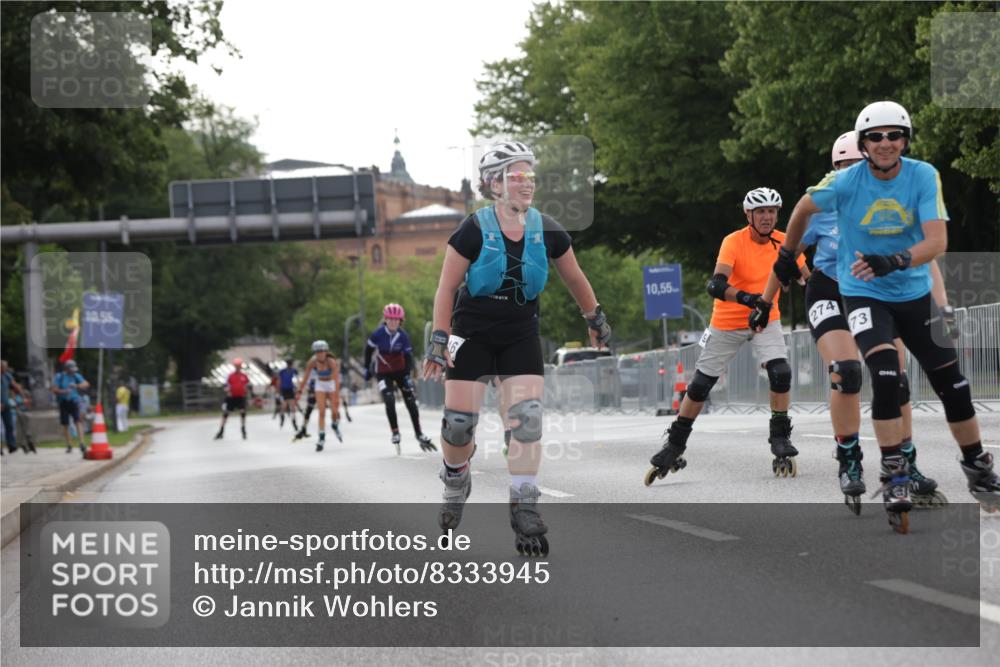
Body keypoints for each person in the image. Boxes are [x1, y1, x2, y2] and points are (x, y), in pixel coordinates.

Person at [771, 101, 999, 531]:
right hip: (861, 293)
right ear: (863, 144)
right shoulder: (844, 184)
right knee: (883, 375)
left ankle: (977, 465)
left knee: (953, 384)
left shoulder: (922, 176)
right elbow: (801, 210)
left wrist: (895, 260)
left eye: (894, 135)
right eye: (875, 137)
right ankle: (892, 472)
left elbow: (937, 243)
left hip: (911, 292)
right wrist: (786, 257)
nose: (885, 144)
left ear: (905, 140)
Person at [423, 141, 611, 556]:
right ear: (494, 184)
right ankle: (455, 478)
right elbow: (446, 288)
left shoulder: (547, 227)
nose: (527, 183)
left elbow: (576, 279)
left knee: (526, 419)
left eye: (530, 175)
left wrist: (595, 319)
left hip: (520, 332)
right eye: (517, 175)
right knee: (458, 424)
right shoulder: (472, 229)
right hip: (471, 333)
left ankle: (524, 504)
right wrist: (439, 340)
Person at [756, 131, 949, 514]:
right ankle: (849, 455)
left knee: (896, 379)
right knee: (846, 372)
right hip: (829, 290)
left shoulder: (892, 203)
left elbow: (926, 259)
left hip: (876, 292)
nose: (850, 175)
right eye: (841, 169)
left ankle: (905, 459)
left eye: (855, 166)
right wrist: (764, 302)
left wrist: (943, 308)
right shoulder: (824, 205)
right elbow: (786, 255)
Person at [645, 187, 808, 486]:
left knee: (780, 372)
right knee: (700, 385)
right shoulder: (733, 241)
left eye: (772, 211)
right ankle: (675, 444)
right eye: (760, 212)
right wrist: (748, 299)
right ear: (749, 215)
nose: (767, 217)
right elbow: (716, 284)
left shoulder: (785, 241)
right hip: (728, 320)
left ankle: (780, 438)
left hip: (766, 319)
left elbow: (805, 279)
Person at [365, 303, 436, 454]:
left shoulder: (403, 336)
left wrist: (408, 375)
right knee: (389, 399)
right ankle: (395, 432)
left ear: (400, 321)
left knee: (410, 400)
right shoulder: (377, 334)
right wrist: (366, 368)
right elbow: (367, 351)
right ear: (385, 320)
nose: (393, 323)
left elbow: (408, 357)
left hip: (400, 370)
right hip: (383, 372)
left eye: (396, 320)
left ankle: (419, 433)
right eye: (390, 319)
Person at [296, 340, 341, 451]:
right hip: (320, 384)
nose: (320, 354)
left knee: (335, 411)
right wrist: (299, 391)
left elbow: (336, 380)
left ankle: (335, 424)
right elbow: (305, 378)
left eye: (322, 351)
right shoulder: (312, 362)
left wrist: (336, 397)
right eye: (317, 352)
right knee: (322, 412)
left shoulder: (331, 362)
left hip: (331, 385)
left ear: (326, 352)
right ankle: (321, 438)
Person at [52, 359, 89, 455]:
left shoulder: (75, 376)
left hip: (74, 401)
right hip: (63, 402)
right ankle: (69, 444)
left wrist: (76, 385)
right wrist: (64, 391)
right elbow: (54, 389)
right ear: (66, 369)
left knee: (78, 421)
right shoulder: (59, 376)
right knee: (66, 424)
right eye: (71, 369)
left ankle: (82, 443)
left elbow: (86, 384)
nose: (73, 371)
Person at [214, 358, 251, 440]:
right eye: (236, 366)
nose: (238, 367)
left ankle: (243, 429)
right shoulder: (230, 376)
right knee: (226, 414)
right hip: (231, 397)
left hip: (241, 397)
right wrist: (227, 391)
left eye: (239, 366)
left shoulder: (244, 376)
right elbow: (226, 386)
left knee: (242, 412)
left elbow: (247, 386)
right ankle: (221, 431)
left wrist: (246, 391)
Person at [1, 360, 33, 454]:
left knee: (9, 426)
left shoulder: (6, 376)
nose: (5, 369)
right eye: (3, 367)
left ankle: (11, 446)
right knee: (0, 429)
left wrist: (24, 397)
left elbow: (16, 386)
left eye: (5, 367)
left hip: (6, 405)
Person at [292, 377, 317, 442]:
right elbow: (306, 385)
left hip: (320, 392)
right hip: (313, 395)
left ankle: (303, 429)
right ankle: (303, 429)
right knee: (308, 413)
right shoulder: (311, 376)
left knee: (308, 413)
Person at [277, 358, 299, 431]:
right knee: (284, 405)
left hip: (290, 389)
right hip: (284, 390)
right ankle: (282, 417)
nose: (290, 365)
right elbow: (279, 380)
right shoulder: (282, 371)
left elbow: (296, 379)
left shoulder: (294, 371)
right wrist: (279, 390)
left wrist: (297, 388)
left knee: (292, 406)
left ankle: (294, 421)